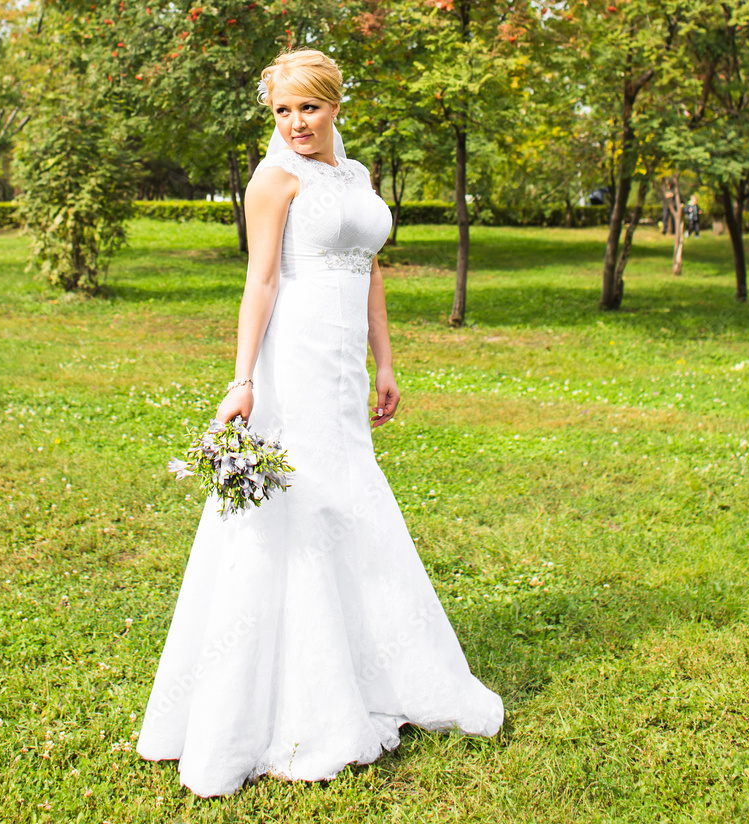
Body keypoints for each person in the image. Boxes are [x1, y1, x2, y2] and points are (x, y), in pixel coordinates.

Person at [136, 48, 504, 798]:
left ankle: (374, 663)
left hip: (342, 372)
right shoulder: (273, 180)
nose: (296, 123)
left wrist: (386, 363)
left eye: (308, 107)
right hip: (292, 361)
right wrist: (241, 382)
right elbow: (260, 281)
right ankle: (284, 702)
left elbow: (368, 269)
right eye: (282, 112)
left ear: (335, 104)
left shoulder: (357, 176)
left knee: (349, 501)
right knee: (300, 508)